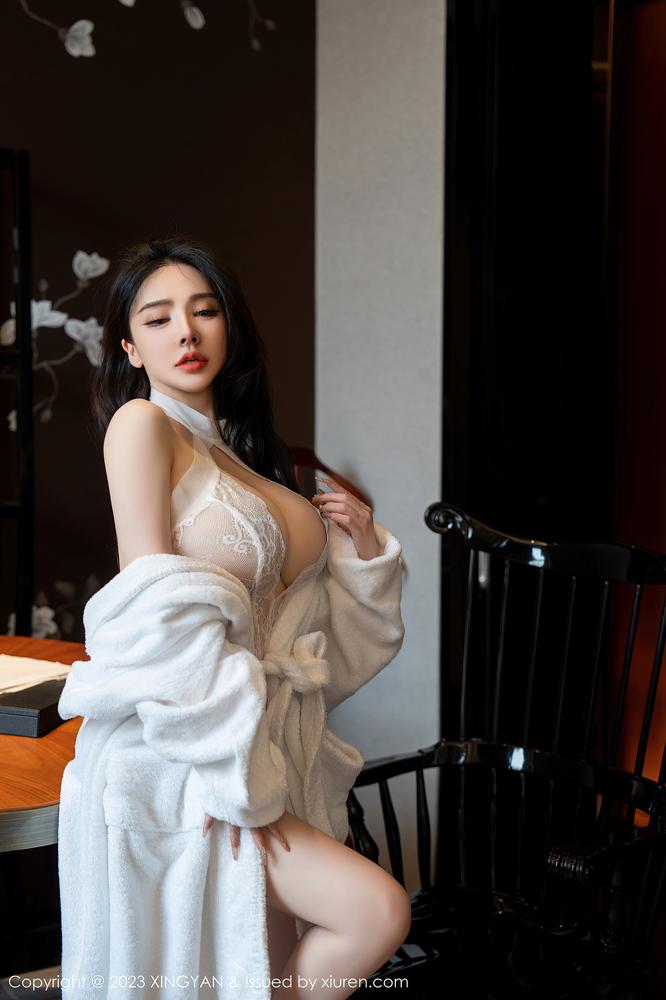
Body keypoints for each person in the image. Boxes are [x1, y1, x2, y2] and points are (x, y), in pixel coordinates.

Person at [58, 236, 409, 1000]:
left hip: (265, 754)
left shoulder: (245, 459)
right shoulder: (141, 426)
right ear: (130, 347)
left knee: (260, 972)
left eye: (204, 311)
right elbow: (150, 606)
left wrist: (361, 552)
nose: (185, 331)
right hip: (189, 755)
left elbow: (319, 656)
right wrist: (220, 765)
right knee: (375, 910)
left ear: (229, 325)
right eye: (158, 319)